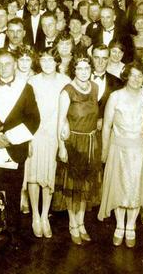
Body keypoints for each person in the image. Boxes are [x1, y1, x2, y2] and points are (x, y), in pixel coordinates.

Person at [0, 50, 41, 244]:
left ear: (15, 65)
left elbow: (33, 119)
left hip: (14, 148)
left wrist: (10, 138)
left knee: (13, 192)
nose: (4, 68)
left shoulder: (25, 88)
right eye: (0, 64)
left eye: (8, 63)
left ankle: (13, 231)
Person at [98, 61, 143, 247]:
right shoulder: (115, 96)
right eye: (133, 75)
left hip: (140, 149)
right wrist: (105, 150)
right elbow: (106, 126)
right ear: (127, 76)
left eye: (140, 76)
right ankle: (119, 225)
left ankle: (131, 226)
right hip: (118, 148)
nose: (137, 79)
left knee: (136, 188)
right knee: (119, 187)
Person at [53, 53, 102, 245]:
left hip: (91, 143)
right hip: (73, 143)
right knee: (73, 188)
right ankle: (73, 224)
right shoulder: (67, 91)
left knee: (86, 188)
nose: (83, 72)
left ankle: (81, 223)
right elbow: (60, 121)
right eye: (79, 68)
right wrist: (61, 147)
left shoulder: (95, 88)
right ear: (73, 70)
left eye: (87, 68)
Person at [23, 48, 70, 238]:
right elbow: (25, 112)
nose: (47, 64)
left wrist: (64, 127)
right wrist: (27, 137)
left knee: (49, 177)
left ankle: (45, 216)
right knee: (33, 175)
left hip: (54, 134)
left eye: (51, 60)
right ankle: (35, 215)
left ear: (57, 62)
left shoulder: (65, 81)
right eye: (43, 60)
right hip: (36, 134)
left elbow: (68, 110)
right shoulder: (32, 81)